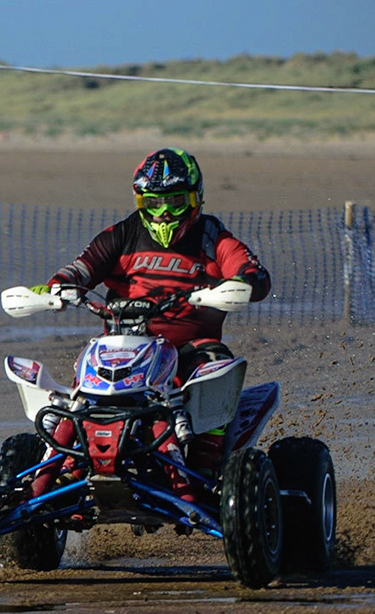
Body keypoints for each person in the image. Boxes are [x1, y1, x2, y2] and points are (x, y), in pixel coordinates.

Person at [34, 147, 270, 484]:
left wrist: (241, 283)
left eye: (175, 201)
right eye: (153, 203)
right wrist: (57, 287)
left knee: (216, 364)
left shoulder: (212, 237)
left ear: (195, 199)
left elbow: (254, 273)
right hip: (122, 344)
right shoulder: (123, 234)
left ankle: (206, 465)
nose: (162, 213)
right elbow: (83, 267)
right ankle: (56, 471)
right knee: (78, 387)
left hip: (188, 349)